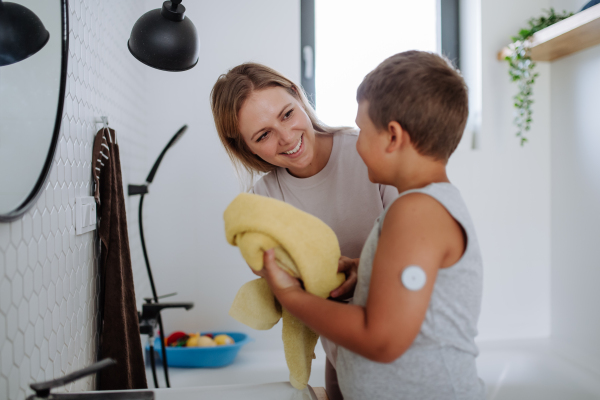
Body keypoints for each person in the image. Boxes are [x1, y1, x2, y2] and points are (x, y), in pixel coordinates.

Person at [256, 51, 485, 400]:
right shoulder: (423, 206)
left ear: (392, 136)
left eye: (362, 129)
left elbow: (381, 339)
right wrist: (365, 270)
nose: (355, 142)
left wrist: (291, 296)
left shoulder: (416, 212)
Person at [211, 63, 397, 400]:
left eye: (286, 114)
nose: (286, 138)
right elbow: (283, 281)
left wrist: (364, 270)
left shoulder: (368, 152)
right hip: (340, 350)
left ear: (298, 96)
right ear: (246, 147)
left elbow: (415, 249)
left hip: (402, 339)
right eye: (263, 135)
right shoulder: (264, 200)